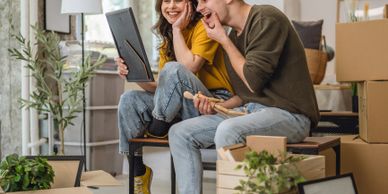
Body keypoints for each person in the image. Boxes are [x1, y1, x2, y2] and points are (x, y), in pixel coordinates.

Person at [167, 0, 320, 193]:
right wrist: (217, 105)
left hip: (291, 115)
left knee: (228, 130)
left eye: (205, 0)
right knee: (179, 133)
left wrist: (223, 40)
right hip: (251, 111)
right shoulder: (233, 36)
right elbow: (245, 94)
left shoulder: (266, 18)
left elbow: (253, 80)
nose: (198, 8)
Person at [117, 0, 233, 193]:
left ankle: (158, 126)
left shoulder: (205, 25)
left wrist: (177, 29)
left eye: (177, 0)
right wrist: (133, 74)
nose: (170, 6)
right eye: (166, 1)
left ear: (191, 3)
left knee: (173, 69)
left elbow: (187, 68)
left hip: (212, 101)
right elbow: (165, 88)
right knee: (128, 100)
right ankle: (139, 173)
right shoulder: (168, 36)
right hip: (181, 104)